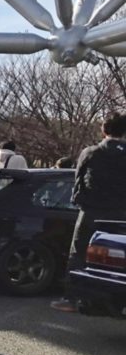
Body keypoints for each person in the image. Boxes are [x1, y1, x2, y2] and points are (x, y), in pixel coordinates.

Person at [51, 113, 126, 311]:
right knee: (119, 255)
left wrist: (79, 202)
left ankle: (72, 298)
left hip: (92, 211)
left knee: (79, 253)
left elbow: (78, 182)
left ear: (104, 130)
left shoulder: (91, 152)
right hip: (121, 213)